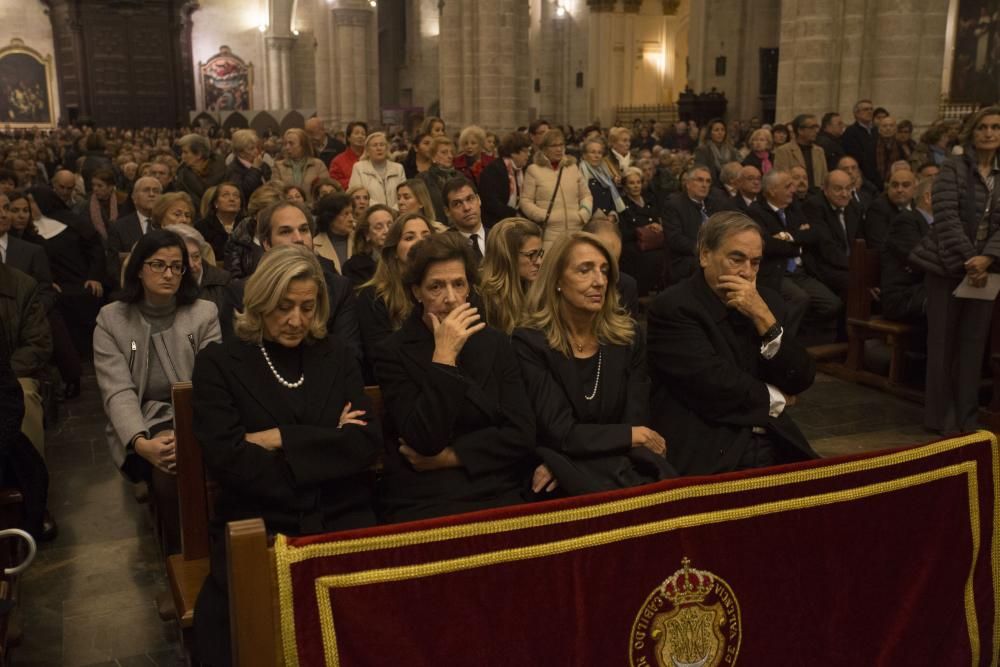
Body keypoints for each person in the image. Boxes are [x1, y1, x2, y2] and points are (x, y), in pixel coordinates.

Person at [191, 245, 380, 667]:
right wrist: (328, 440)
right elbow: (230, 460)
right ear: (259, 303)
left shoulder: (337, 355)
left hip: (341, 516)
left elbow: (365, 444)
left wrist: (280, 438)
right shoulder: (219, 364)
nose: (297, 320)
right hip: (259, 523)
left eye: (308, 307)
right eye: (284, 307)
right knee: (234, 635)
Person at [374, 232, 536, 522]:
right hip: (425, 495)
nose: (450, 298)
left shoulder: (495, 343)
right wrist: (444, 357)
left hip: (494, 484)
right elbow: (423, 440)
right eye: (436, 286)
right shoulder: (392, 352)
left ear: (469, 290)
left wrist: (451, 457)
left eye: (458, 284)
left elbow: (521, 434)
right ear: (416, 292)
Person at [647, 211, 819, 475]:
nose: (747, 273)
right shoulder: (673, 306)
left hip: (769, 434)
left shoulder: (767, 304)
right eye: (736, 259)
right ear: (705, 256)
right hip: (710, 440)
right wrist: (776, 398)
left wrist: (765, 320)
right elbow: (711, 382)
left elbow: (801, 377)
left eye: (756, 262)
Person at [513, 232, 673, 494]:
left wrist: (568, 460)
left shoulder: (628, 337)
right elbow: (560, 432)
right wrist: (628, 437)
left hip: (617, 465)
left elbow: (635, 419)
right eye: (585, 270)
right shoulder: (530, 343)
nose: (599, 281)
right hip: (564, 478)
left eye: (604, 270)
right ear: (557, 281)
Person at [93, 229, 221, 552]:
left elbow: (211, 382)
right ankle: (183, 564)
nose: (169, 274)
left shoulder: (203, 313)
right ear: (138, 268)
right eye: (158, 265)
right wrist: (141, 443)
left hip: (197, 412)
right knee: (169, 472)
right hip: (144, 417)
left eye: (177, 266)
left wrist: (190, 431)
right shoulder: (112, 319)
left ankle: (220, 552)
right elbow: (117, 390)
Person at [909, 107, 1000, 435]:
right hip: (948, 266)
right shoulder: (953, 167)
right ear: (972, 132)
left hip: (987, 270)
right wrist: (970, 258)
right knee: (943, 345)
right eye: (983, 128)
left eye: (995, 127)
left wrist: (987, 258)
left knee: (973, 346)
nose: (989, 133)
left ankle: (967, 418)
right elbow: (946, 216)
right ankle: (941, 418)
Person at [256, 200, 361, 364]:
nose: (298, 239)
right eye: (285, 232)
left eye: (304, 230)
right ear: (267, 244)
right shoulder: (243, 291)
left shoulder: (339, 287)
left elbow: (349, 357)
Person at [26, 186, 105, 357]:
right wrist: (46, 282)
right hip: (55, 285)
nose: (28, 206)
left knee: (88, 296)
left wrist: (95, 277)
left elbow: (96, 250)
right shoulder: (27, 232)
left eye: (31, 202)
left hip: (84, 279)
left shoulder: (73, 223)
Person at [357, 212, 435, 379]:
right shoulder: (373, 297)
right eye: (409, 238)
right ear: (393, 251)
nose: (420, 242)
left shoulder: (444, 291)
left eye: (426, 235)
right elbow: (380, 357)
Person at [520, 129, 592, 251]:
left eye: (561, 145)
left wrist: (583, 214)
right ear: (544, 148)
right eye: (554, 145)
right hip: (549, 235)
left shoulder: (572, 168)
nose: (559, 149)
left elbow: (586, 195)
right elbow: (525, 201)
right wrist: (544, 216)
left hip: (576, 231)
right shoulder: (534, 170)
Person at [168, 224, 242, 339]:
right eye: (184, 258)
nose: (192, 265)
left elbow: (233, 330)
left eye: (196, 257)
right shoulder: (165, 283)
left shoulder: (223, 281)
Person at [800, 169, 863, 294]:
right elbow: (826, 246)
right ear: (825, 189)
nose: (844, 194)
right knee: (856, 282)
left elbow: (860, 241)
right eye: (838, 189)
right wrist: (855, 269)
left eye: (848, 188)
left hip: (849, 264)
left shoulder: (854, 206)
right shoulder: (814, 206)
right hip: (825, 266)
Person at [881, 175, 933, 324]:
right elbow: (921, 259)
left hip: (924, 289)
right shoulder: (906, 221)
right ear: (928, 197)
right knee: (948, 301)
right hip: (903, 297)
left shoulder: (941, 225)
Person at [479, 217, 543, 334]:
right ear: (507, 257)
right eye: (531, 255)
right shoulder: (483, 303)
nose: (539, 262)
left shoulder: (537, 290)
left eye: (540, 253)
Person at [663, 166, 718, 283]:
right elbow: (675, 239)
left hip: (711, 252)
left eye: (708, 181)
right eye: (700, 180)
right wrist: (704, 251)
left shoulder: (714, 203)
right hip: (685, 258)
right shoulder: (674, 204)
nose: (704, 185)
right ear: (688, 184)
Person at [618, 166, 664, 296]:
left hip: (654, 242)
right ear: (625, 186)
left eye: (638, 182)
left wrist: (658, 226)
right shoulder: (622, 204)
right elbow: (623, 233)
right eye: (631, 183)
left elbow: (657, 219)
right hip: (633, 244)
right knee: (650, 258)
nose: (636, 186)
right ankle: (641, 294)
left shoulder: (650, 199)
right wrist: (644, 229)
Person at [479, 132, 533, 227]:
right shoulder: (494, 169)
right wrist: (514, 214)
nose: (528, 155)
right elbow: (490, 201)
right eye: (525, 151)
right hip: (495, 224)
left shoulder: (521, 170)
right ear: (513, 152)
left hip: (513, 222)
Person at [347, 132, 405, 209]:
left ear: (387, 148)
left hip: (396, 213)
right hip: (369, 213)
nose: (379, 148)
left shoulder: (398, 168)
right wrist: (380, 210)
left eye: (382, 145)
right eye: (374, 145)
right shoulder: (359, 167)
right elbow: (355, 194)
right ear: (367, 150)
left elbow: (404, 194)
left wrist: (394, 210)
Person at [272, 128, 328, 202]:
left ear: (303, 145)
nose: (287, 147)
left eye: (291, 143)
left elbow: (326, 190)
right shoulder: (278, 166)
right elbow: (275, 191)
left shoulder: (318, 165)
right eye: (285, 144)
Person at [774, 114, 828, 191]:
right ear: (800, 130)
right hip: (794, 196)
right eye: (812, 127)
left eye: (817, 127)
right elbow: (782, 179)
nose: (816, 131)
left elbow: (824, 178)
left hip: (816, 197)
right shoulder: (784, 151)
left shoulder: (819, 151)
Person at [578, 135, 626, 220]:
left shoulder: (606, 174)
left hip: (608, 222)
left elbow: (612, 199)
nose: (597, 156)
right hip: (589, 222)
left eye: (599, 153)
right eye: (593, 152)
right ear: (584, 155)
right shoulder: (579, 174)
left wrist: (613, 215)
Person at [342, 204, 392, 287]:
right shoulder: (354, 267)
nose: (387, 231)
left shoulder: (404, 259)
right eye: (379, 227)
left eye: (390, 225)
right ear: (367, 234)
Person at [196, 182, 242, 262]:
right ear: (216, 203)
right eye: (225, 195)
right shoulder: (202, 227)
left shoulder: (247, 225)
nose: (232, 199)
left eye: (236, 196)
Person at [175, 134, 226, 206]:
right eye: (182, 152)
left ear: (199, 154)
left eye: (186, 152)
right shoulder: (182, 173)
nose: (182, 156)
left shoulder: (222, 170)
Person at [312, 192, 355, 274]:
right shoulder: (314, 246)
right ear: (330, 217)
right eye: (345, 214)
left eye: (351, 213)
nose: (351, 219)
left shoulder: (360, 240)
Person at [225, 129, 271, 203]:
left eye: (256, 147)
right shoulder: (233, 169)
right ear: (241, 153)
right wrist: (255, 169)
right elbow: (243, 192)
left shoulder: (263, 165)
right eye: (251, 149)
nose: (256, 151)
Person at [694, 118, 742, 184]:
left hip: (730, 184)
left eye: (723, 130)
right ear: (710, 133)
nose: (720, 133)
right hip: (711, 184)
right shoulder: (702, 150)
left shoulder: (731, 150)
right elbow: (700, 171)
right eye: (716, 130)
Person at [329, 121, 369, 190]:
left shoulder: (371, 158)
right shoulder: (338, 161)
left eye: (363, 134)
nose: (360, 136)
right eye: (356, 133)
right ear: (348, 138)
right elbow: (334, 183)